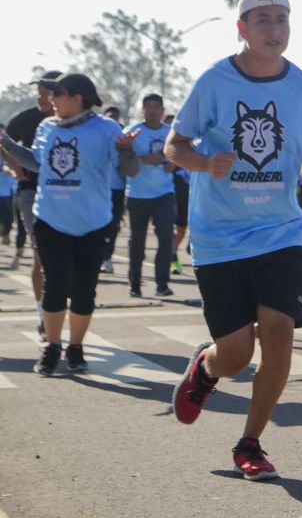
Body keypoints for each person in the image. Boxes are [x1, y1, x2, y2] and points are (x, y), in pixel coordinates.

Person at [166, 0, 302, 481]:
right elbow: (174, 146)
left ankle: (250, 443)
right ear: (242, 29)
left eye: (282, 19)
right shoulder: (214, 81)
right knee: (236, 355)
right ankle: (206, 369)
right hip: (219, 236)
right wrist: (204, 161)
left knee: (279, 331)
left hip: (280, 232)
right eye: (263, 20)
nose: (274, 29)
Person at [1, 73, 139, 375]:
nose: (51, 99)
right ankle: (51, 346)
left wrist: (127, 149)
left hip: (93, 222)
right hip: (50, 220)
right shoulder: (46, 126)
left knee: (84, 289)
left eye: (57, 93)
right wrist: (7, 144)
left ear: (77, 97)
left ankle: (76, 347)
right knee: (55, 285)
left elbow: (130, 170)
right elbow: (37, 162)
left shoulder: (106, 128)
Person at [4, 70, 61, 337]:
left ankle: (58, 310)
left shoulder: (75, 123)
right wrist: (13, 165)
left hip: (68, 198)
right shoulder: (23, 120)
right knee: (41, 255)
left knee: (66, 262)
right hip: (31, 194)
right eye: (38, 90)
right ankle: (43, 314)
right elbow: (3, 141)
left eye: (46, 90)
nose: (40, 95)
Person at [124, 94, 178, 297]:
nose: (153, 111)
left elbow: (177, 158)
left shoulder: (170, 132)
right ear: (143, 110)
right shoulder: (133, 132)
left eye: (157, 107)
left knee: (165, 237)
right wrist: (145, 159)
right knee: (137, 241)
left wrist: (173, 164)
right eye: (148, 107)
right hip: (138, 194)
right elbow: (123, 160)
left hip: (164, 193)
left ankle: (162, 284)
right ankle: (135, 284)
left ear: (163, 110)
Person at [99, 106, 126, 273]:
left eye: (115, 117)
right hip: (100, 188)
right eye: (110, 117)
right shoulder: (98, 135)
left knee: (114, 225)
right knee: (100, 224)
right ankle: (99, 255)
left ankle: (107, 257)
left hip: (117, 189)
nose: (113, 120)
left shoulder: (123, 137)